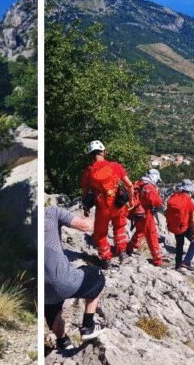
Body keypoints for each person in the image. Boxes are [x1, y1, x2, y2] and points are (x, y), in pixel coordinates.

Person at [45, 206, 106, 351]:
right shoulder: (50, 212)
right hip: (63, 280)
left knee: (54, 314)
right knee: (98, 276)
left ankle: (63, 342)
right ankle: (88, 326)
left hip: (42, 291)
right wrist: (104, 215)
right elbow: (85, 226)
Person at [80, 140, 134, 269]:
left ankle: (106, 260)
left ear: (91, 155)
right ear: (103, 152)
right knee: (120, 227)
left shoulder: (89, 172)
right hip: (118, 204)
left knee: (100, 234)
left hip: (102, 208)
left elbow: (85, 191)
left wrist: (86, 207)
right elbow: (130, 185)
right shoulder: (115, 166)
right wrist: (131, 200)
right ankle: (122, 253)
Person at [126, 169, 165, 266]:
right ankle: (157, 259)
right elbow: (157, 201)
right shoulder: (149, 187)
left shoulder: (139, 183)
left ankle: (129, 248)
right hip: (146, 213)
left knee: (140, 231)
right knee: (152, 234)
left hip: (137, 212)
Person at [165, 179, 194, 271]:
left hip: (175, 226)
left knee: (179, 244)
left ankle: (177, 265)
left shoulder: (174, 196)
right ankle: (186, 262)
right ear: (189, 190)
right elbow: (193, 218)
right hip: (185, 226)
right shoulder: (188, 201)